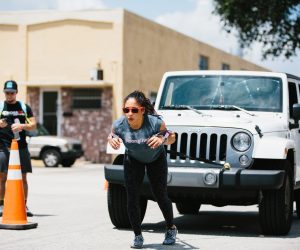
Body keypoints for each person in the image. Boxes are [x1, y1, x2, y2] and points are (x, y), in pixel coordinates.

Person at [107, 90, 177, 249]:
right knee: (131, 197)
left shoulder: (154, 123)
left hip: (156, 160)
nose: (129, 114)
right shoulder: (119, 125)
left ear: (142, 110)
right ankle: (137, 235)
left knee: (160, 195)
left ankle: (171, 228)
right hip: (133, 160)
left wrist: (162, 138)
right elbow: (112, 135)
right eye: (126, 110)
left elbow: (172, 137)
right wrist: (112, 139)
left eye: (134, 110)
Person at [0, 80, 37, 217]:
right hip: (3, 146)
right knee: (2, 177)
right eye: (7, 93)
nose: (9, 95)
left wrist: (22, 126)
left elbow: (33, 125)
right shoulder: (0, 106)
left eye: (12, 93)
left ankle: (24, 205)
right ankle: (1, 205)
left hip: (21, 146)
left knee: (23, 177)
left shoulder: (24, 107)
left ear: (16, 93)